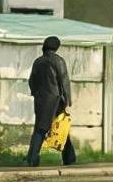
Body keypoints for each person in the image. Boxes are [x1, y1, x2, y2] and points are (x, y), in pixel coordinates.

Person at [26, 35, 76, 167]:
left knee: (49, 128)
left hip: (41, 100)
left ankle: (69, 158)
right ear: (56, 47)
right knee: (48, 129)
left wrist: (36, 94)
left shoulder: (38, 61)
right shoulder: (58, 61)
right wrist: (68, 100)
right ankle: (32, 159)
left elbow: (31, 81)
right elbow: (64, 80)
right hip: (56, 100)